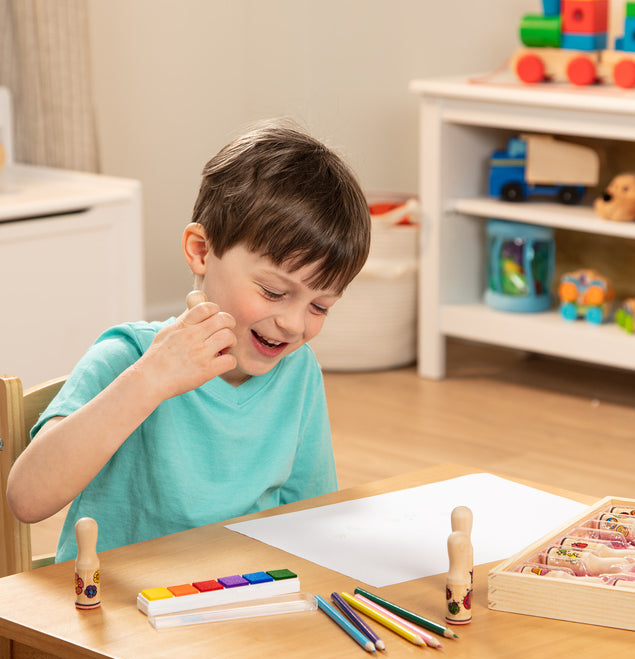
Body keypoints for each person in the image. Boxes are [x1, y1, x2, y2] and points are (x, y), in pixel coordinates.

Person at [7, 121, 371, 561]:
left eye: (320, 307)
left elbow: (312, 517)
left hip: (234, 605)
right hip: (114, 615)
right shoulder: (128, 357)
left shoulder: (298, 371)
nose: (295, 324)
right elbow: (27, 499)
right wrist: (150, 380)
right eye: (274, 292)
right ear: (201, 250)